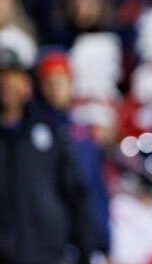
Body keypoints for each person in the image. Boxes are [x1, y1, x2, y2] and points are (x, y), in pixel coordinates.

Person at [0, 47, 101, 263]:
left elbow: (74, 192)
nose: (6, 84)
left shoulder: (49, 131)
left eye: (12, 76)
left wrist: (86, 248)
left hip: (48, 253)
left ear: (26, 84)